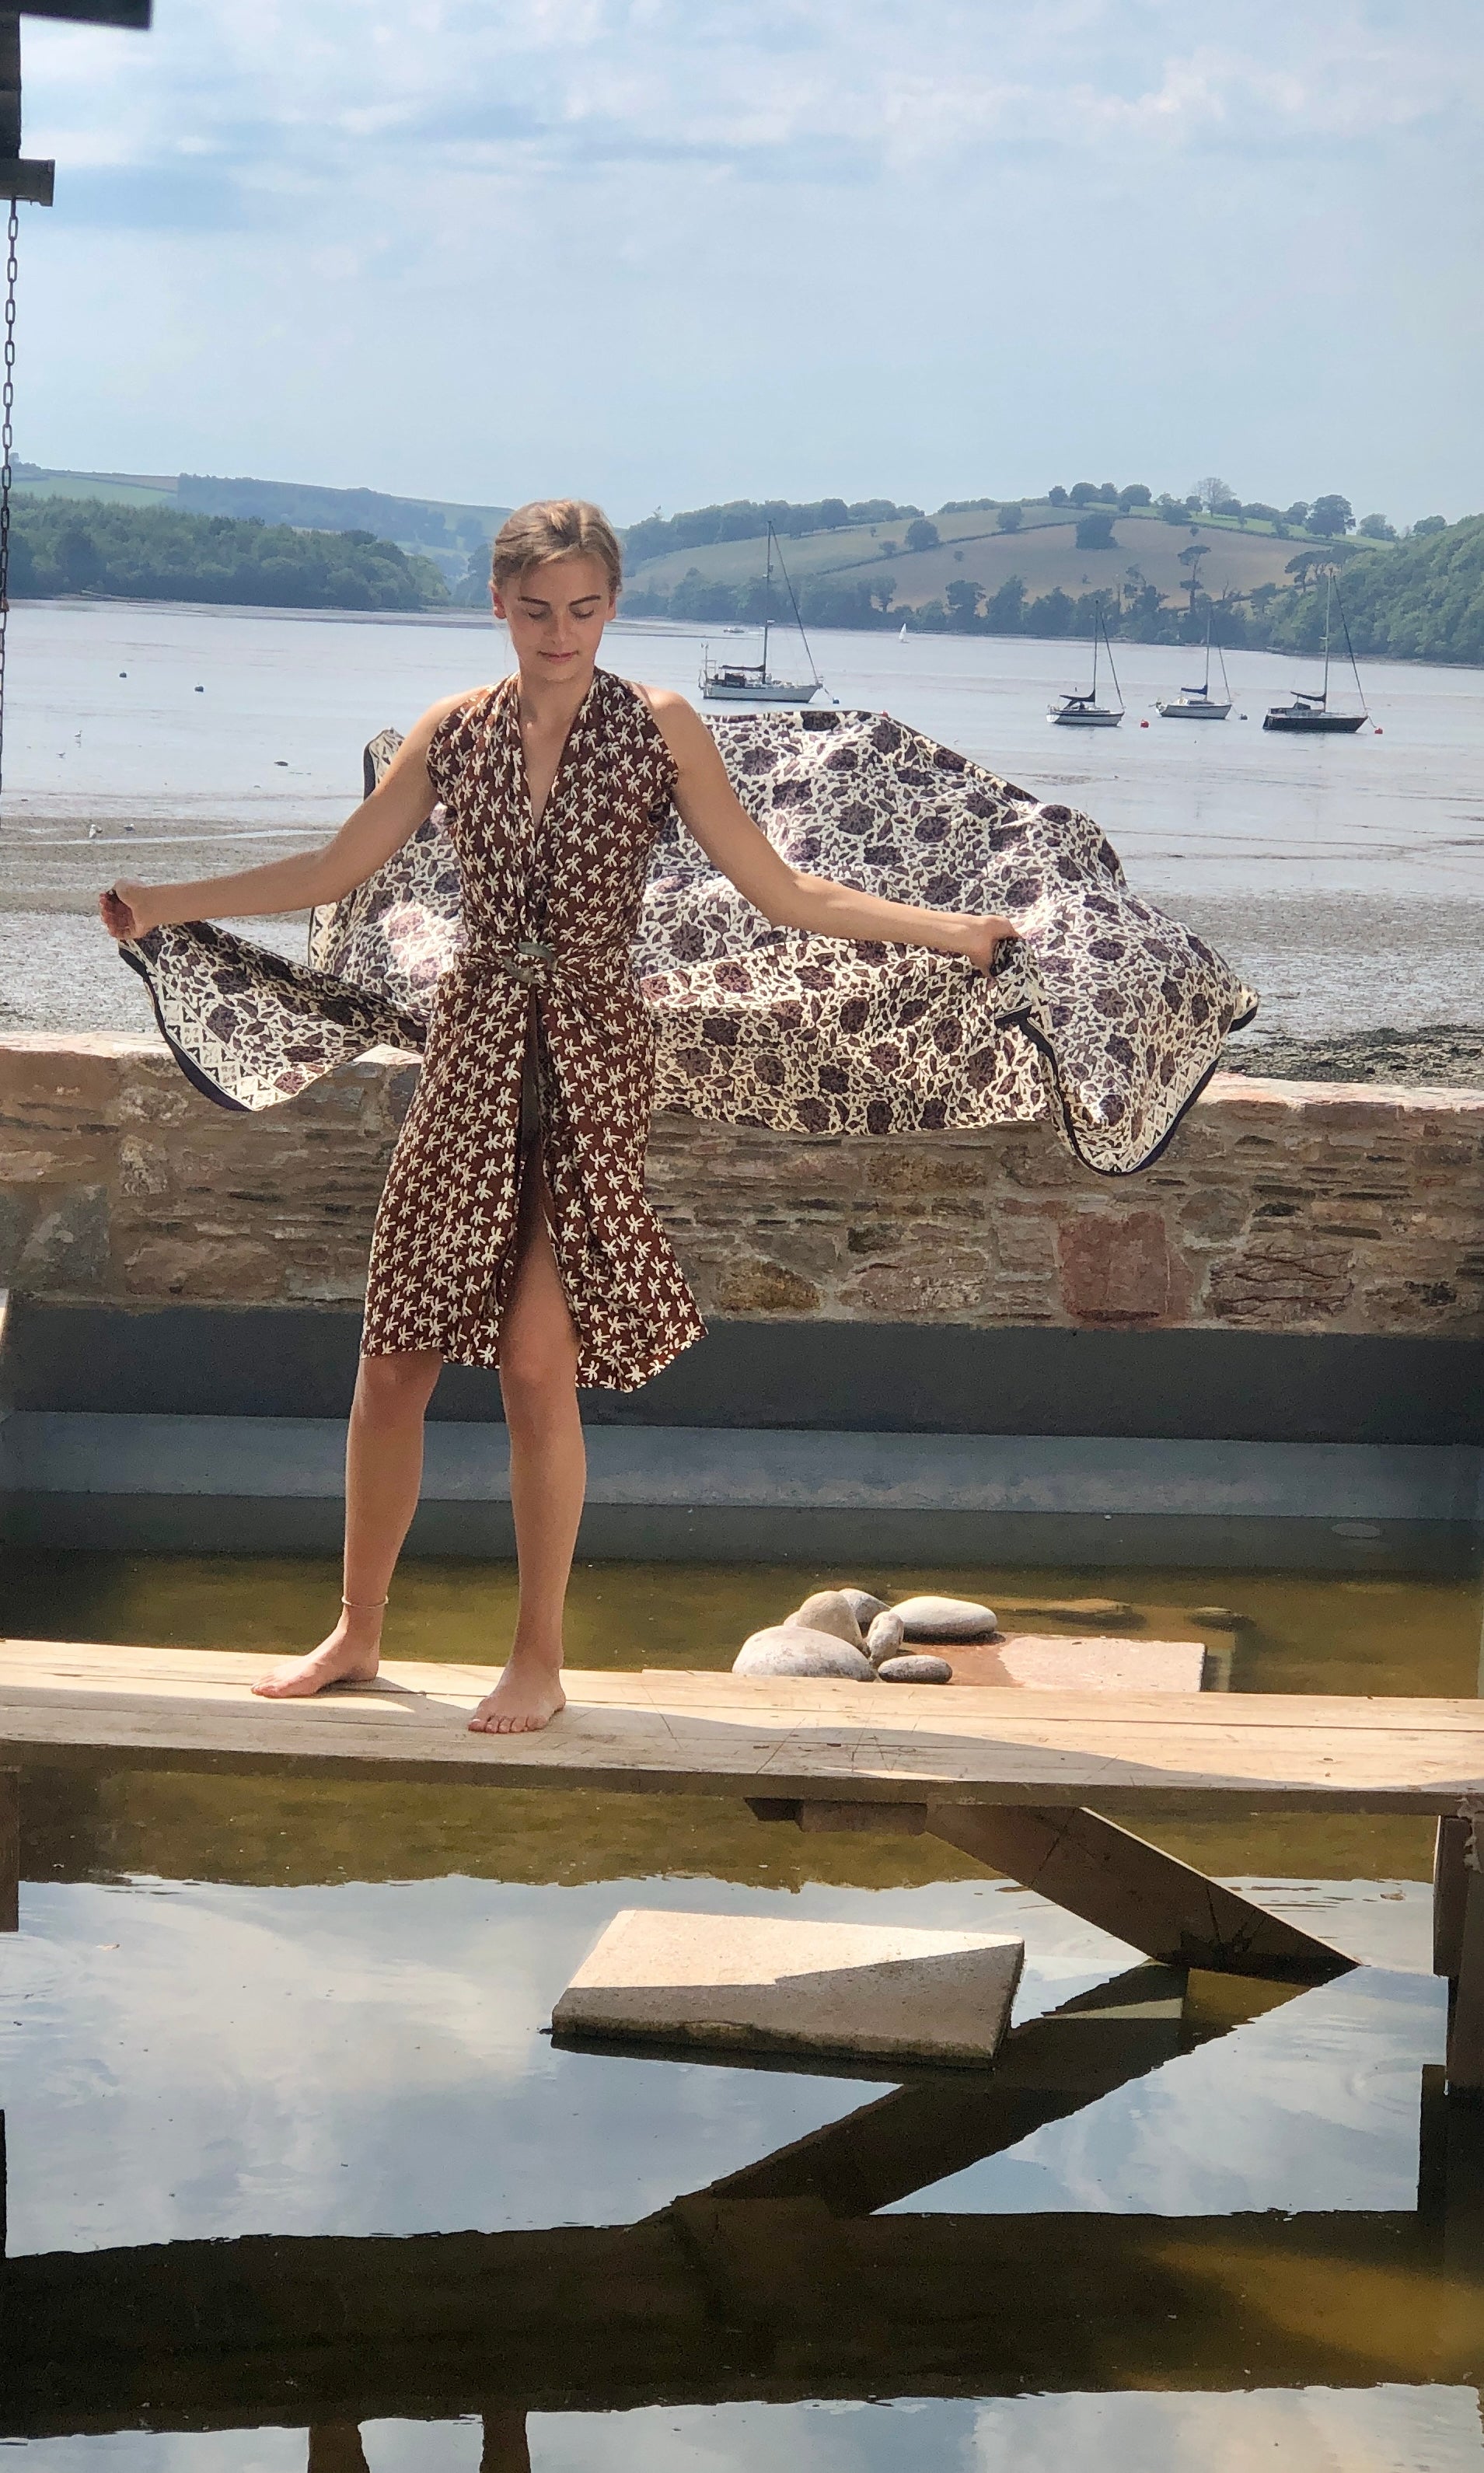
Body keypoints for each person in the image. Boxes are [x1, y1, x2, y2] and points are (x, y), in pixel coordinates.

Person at [100, 499, 1018, 1737]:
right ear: (498, 604)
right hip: (472, 1055)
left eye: (584, 609)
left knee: (540, 1366)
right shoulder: (451, 732)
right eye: (536, 610)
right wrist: (165, 900)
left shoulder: (658, 725)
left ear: (612, 606)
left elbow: (780, 888)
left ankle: (538, 1656)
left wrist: (949, 932)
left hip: (590, 1060)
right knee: (393, 1359)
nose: (560, 632)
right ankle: (357, 1631)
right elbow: (331, 871)